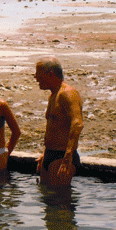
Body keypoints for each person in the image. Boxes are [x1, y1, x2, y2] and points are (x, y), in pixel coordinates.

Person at [34, 57, 84, 188]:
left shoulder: (67, 93)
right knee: (47, 198)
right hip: (50, 154)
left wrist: (68, 156)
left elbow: (77, 123)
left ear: (50, 74)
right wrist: (45, 154)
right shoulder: (53, 95)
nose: (35, 77)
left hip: (62, 156)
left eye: (38, 73)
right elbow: (55, 127)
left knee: (61, 202)